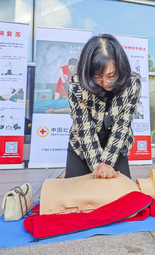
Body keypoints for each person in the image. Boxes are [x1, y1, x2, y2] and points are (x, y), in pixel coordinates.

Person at [65, 34, 141, 180]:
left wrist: (107, 162)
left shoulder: (133, 82)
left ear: (120, 67)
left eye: (111, 76)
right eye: (98, 78)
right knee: (76, 196)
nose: (106, 83)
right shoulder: (76, 83)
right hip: (83, 144)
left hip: (116, 145)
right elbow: (83, 125)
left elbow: (123, 124)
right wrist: (99, 168)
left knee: (122, 196)